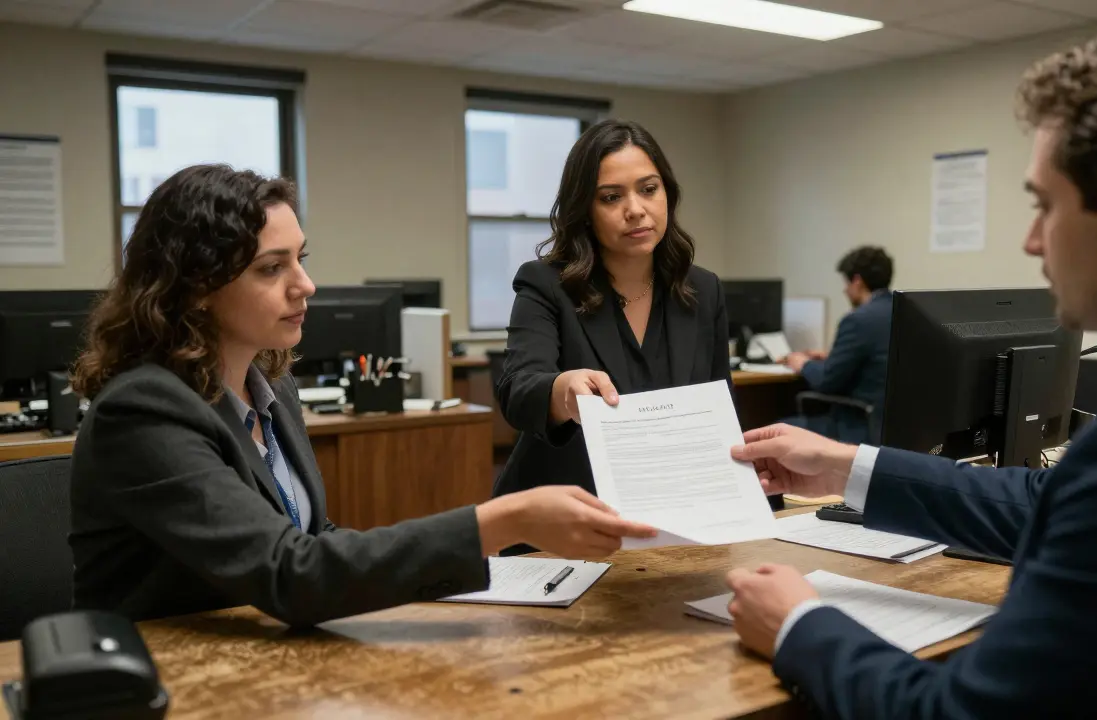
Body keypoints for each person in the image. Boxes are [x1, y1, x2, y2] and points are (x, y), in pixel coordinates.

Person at [722, 20, 1097, 717]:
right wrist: (848, 466)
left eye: (1044, 205)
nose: (1031, 240)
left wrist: (799, 626)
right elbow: (1051, 504)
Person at [68, 164, 656, 626]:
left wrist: (459, 572)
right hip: (162, 677)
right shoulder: (144, 411)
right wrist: (501, 521)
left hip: (263, 654)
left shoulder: (271, 388)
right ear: (196, 287)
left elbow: (314, 539)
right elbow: (290, 572)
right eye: (271, 268)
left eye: (300, 260)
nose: (305, 285)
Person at [493, 119, 733, 510]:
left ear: (667, 194)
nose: (635, 210)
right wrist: (562, 391)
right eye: (610, 197)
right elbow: (517, 391)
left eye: (648, 189)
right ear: (585, 209)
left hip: (671, 507)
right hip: (563, 511)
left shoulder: (703, 290)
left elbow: (720, 408)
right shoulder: (546, 284)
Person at [779, 246, 893, 443]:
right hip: (892, 430)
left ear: (857, 281)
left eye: (846, 284)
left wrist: (802, 363)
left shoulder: (858, 320)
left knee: (774, 430)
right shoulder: (902, 311)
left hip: (859, 428)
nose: (845, 290)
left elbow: (827, 382)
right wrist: (832, 357)